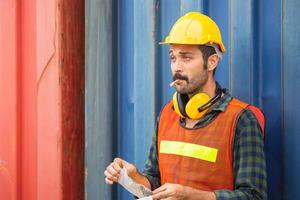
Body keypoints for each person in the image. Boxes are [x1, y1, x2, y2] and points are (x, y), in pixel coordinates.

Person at [104, 11, 267, 200]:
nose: (176, 67)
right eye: (173, 57)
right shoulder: (167, 114)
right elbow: (155, 184)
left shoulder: (242, 119)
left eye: (186, 58)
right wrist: (133, 178)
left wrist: (192, 196)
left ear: (212, 61)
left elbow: (254, 196)